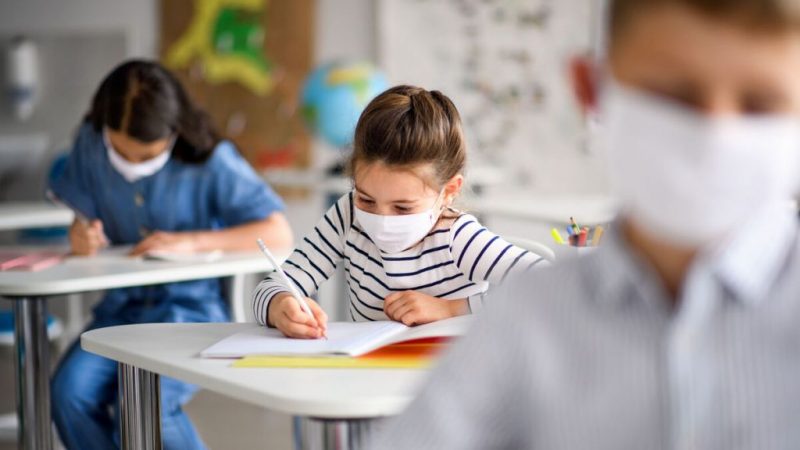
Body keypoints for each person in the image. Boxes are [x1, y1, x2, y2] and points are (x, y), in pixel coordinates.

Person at [371, 0, 800, 448]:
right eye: (674, 95)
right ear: (592, 89)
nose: (715, 134)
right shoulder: (523, 322)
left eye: (761, 104)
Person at [50, 60, 292, 450]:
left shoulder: (211, 160)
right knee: (68, 394)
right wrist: (81, 236)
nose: (134, 167)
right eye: (122, 154)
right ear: (104, 129)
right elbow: (82, 216)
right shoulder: (90, 144)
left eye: (147, 157)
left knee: (147, 407)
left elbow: (277, 231)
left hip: (190, 311)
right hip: (119, 313)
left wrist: (193, 241)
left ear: (174, 131)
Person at [252, 85, 548, 337]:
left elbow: (549, 286)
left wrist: (451, 308)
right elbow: (275, 284)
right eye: (367, 200)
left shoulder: (458, 238)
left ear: (448, 191)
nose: (381, 220)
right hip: (370, 382)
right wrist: (280, 305)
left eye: (403, 208)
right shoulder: (346, 216)